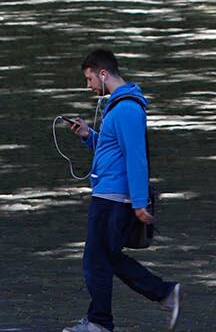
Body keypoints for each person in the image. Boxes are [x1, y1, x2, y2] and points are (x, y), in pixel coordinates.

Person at [64, 49, 179, 332]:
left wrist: (139, 203)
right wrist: (88, 136)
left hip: (112, 197)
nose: (88, 86)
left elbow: (135, 157)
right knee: (106, 258)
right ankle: (161, 294)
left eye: (90, 79)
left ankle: (101, 322)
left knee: (96, 260)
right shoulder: (118, 105)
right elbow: (113, 148)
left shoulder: (126, 108)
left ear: (103, 74)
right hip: (110, 193)